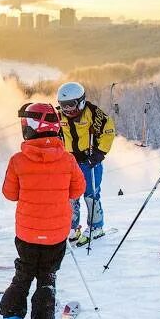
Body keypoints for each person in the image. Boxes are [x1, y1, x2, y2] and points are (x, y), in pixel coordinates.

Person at [0, 102, 85, 319]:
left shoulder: (18, 160)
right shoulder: (67, 160)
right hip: (56, 234)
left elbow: (9, 194)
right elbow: (78, 190)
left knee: (23, 275)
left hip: (26, 233)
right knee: (47, 278)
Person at [56, 81, 115, 246]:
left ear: (81, 101)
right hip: (69, 162)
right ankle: (73, 228)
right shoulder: (60, 116)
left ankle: (96, 227)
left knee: (91, 194)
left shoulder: (93, 113)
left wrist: (100, 152)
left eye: (71, 105)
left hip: (90, 160)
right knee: (70, 196)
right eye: (64, 106)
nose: (68, 110)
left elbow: (108, 130)